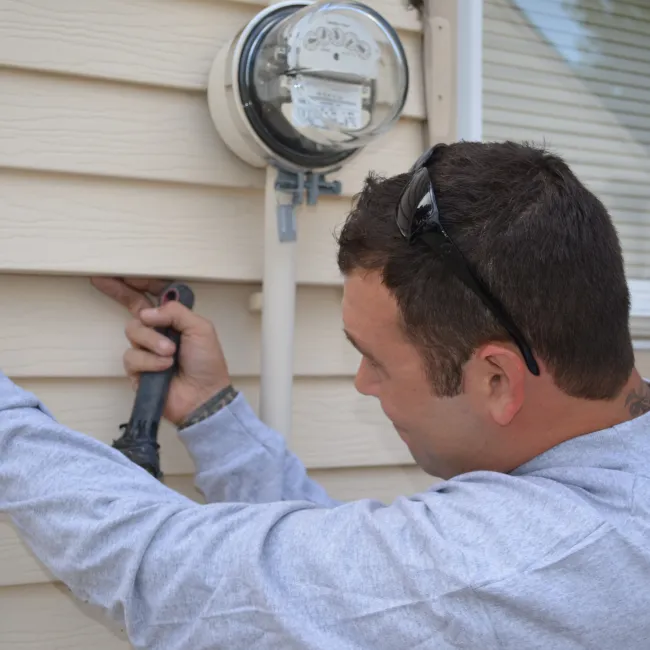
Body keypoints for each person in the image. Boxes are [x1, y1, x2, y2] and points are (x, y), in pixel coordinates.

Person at [1, 140, 650, 649]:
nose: (362, 384)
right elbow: (358, 599)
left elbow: (168, 575)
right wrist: (212, 414)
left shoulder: (532, 562)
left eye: (374, 360)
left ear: (496, 380)